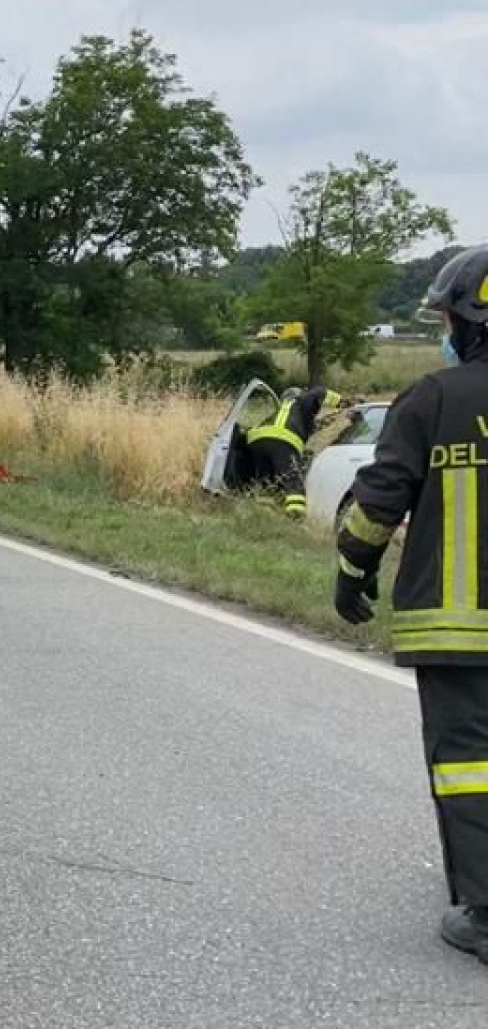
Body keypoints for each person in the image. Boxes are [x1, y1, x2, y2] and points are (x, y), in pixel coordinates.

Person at [334, 243, 488, 967]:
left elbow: (378, 501)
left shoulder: (432, 399)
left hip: (458, 632)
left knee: (470, 764)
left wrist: (351, 568)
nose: (445, 331)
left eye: (449, 317)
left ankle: (485, 917)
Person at [247, 384, 353, 520]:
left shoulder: (281, 410)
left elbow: (311, 427)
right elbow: (318, 391)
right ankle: (296, 517)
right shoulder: (300, 400)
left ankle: (263, 516)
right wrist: (344, 402)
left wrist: (334, 418)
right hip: (281, 440)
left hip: (256, 441)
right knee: (294, 482)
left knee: (267, 482)